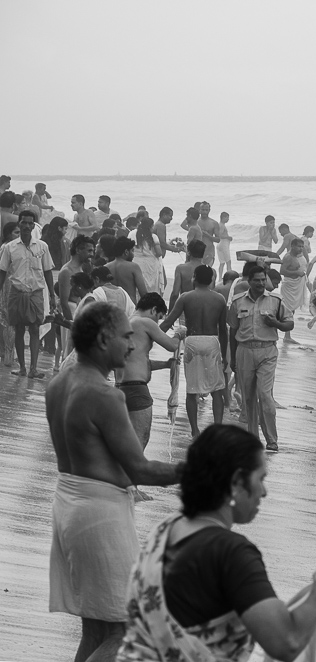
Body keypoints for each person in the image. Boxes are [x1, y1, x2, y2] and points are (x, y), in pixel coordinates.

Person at [116, 424, 316, 662]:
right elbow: (286, 642)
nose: (264, 492)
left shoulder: (164, 533)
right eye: (261, 478)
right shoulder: (231, 553)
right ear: (237, 481)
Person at [47, 302, 183, 662]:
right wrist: (196, 468)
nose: (133, 346)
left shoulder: (59, 383)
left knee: (96, 630)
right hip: (100, 515)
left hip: (68, 504)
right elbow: (140, 470)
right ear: (104, 339)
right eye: (127, 337)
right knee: (126, 630)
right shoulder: (105, 395)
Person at [228, 265, 293, 451]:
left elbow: (289, 323)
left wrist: (276, 323)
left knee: (265, 395)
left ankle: (272, 440)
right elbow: (233, 330)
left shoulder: (276, 300)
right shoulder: (238, 301)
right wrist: (232, 359)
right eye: (257, 280)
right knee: (248, 399)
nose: (261, 283)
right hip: (244, 351)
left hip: (267, 351)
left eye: (263, 280)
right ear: (249, 281)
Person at [162, 265, 229, 437]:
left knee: (192, 390)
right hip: (212, 342)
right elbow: (223, 330)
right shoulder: (220, 299)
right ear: (212, 280)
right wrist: (224, 354)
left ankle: (195, 430)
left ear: (194, 278)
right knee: (216, 390)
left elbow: (169, 321)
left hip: (192, 342)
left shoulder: (186, 297)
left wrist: (150, 334)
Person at [122, 294, 183, 448]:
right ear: (154, 310)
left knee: (127, 441)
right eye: (159, 317)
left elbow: (137, 360)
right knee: (140, 439)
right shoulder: (145, 322)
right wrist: (180, 333)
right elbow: (171, 345)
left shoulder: (125, 322)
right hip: (137, 390)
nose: (158, 322)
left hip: (122, 387)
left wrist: (165, 364)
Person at [0, 211, 56, 378]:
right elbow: (2, 272)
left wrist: (53, 296)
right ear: (19, 224)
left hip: (36, 293)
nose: (26, 226)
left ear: (33, 226)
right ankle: (23, 368)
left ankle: (33, 369)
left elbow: (48, 272)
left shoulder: (42, 247)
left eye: (29, 223)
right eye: (23, 223)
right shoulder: (9, 247)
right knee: (18, 329)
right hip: (16, 292)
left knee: (34, 329)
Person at [279, 237, 309, 343]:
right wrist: (296, 273)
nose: (301, 249)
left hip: (295, 285)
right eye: (299, 246)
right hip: (289, 286)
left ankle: (287, 335)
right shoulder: (288, 257)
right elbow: (282, 271)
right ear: (292, 246)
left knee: (291, 310)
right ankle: (287, 336)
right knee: (288, 310)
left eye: (302, 246)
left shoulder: (296, 256)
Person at [106, 236, 148, 304]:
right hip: (129, 306)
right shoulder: (133, 267)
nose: (133, 254)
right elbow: (143, 293)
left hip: (111, 308)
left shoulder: (106, 267)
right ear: (126, 252)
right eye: (132, 250)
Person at [169, 240, 207, 310]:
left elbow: (175, 294)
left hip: (186, 308)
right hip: (204, 310)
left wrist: (170, 314)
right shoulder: (211, 271)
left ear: (188, 252)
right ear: (203, 253)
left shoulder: (181, 268)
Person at [132, 217, 165, 294]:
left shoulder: (133, 234)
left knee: (138, 287)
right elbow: (159, 253)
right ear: (150, 226)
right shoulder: (153, 237)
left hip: (136, 263)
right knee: (152, 288)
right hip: (150, 265)